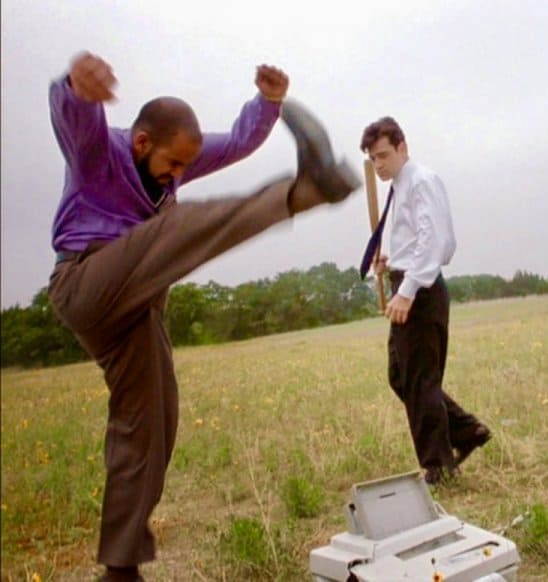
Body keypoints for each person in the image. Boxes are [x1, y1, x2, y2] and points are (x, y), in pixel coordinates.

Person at [47, 51, 359, 581]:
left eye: (186, 166)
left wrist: (269, 103)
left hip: (136, 306)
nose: (178, 174)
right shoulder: (100, 151)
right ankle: (305, 190)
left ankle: (120, 566)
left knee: (152, 421)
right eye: (172, 164)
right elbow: (73, 119)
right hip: (87, 283)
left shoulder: (175, 159)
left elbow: (236, 142)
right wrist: (74, 88)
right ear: (142, 144)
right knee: (176, 225)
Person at [359, 117, 490, 486]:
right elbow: (414, 239)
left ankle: (438, 466)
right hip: (409, 282)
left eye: (384, 155)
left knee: (419, 380)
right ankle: (465, 431)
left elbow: (436, 241)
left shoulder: (421, 181)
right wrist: (392, 260)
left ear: (403, 147)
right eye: (374, 159)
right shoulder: (398, 186)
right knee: (402, 376)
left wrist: (407, 289)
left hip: (421, 292)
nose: (380, 164)